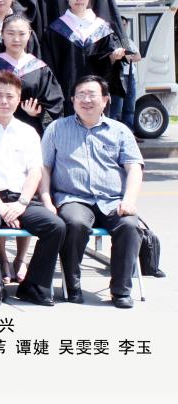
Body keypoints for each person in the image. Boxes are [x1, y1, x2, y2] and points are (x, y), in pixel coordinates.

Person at [40, 75, 144, 308]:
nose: (86, 100)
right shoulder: (56, 129)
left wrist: (129, 200)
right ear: (72, 100)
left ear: (106, 100)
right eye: (81, 95)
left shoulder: (120, 131)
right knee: (75, 223)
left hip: (112, 200)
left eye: (92, 95)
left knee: (129, 225)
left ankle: (121, 290)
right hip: (73, 198)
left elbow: (134, 168)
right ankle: (72, 285)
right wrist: (47, 200)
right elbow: (44, 168)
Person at [0, 71, 65, 307]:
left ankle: (33, 285)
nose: (4, 101)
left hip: (22, 199)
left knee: (56, 226)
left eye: (10, 96)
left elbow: (35, 171)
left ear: (19, 99)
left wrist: (22, 203)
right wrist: (0, 206)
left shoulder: (28, 132)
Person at [43, 0, 125, 114]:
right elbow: (49, 67)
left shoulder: (103, 28)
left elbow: (108, 69)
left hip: (95, 96)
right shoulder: (56, 29)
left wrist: (113, 57)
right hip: (67, 97)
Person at [0, 14, 63, 135]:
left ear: (29, 35)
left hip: (30, 130)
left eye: (22, 34)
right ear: (2, 34)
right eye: (10, 33)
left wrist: (38, 112)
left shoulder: (40, 69)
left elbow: (55, 105)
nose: (16, 39)